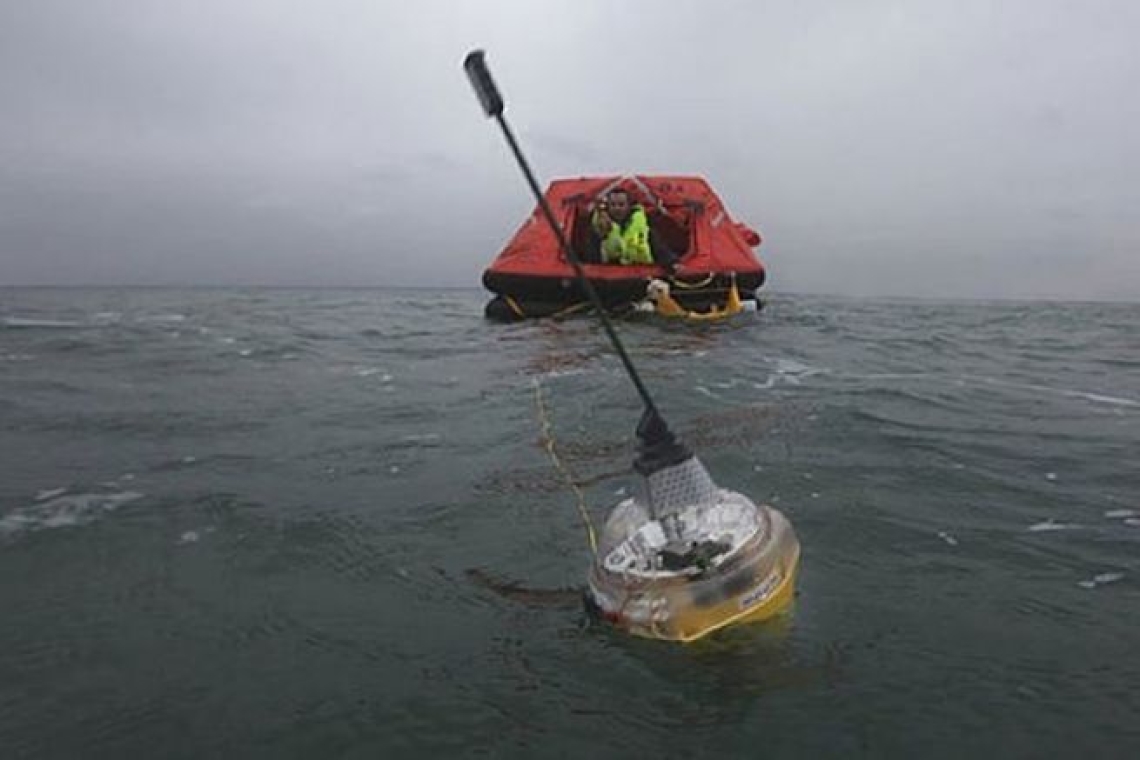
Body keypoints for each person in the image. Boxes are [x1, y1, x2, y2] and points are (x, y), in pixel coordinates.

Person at [590, 188, 677, 270]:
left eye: (621, 205)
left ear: (629, 206)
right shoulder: (598, 229)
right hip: (610, 275)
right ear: (607, 207)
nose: (617, 208)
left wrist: (672, 263)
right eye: (613, 205)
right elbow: (590, 258)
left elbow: (659, 249)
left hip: (641, 273)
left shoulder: (644, 227)